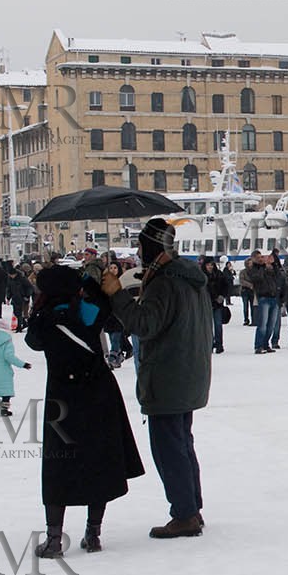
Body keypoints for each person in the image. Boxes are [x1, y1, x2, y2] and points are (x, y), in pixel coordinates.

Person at [100, 218, 212, 540]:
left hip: (167, 376)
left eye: (140, 246)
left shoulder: (165, 282)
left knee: (169, 448)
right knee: (182, 444)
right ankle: (191, 507)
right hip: (187, 374)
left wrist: (117, 295)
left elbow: (145, 324)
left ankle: (185, 514)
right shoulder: (187, 278)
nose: (138, 251)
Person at [27, 266, 145, 557]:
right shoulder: (90, 311)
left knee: (58, 466)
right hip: (99, 394)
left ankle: (54, 539)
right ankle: (93, 533)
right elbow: (105, 303)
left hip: (62, 400)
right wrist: (86, 279)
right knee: (98, 460)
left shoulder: (43, 319)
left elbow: (33, 342)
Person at [0, 317, 30, 417]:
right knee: (6, 392)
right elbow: (9, 356)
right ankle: (4, 410)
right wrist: (23, 364)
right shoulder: (7, 342)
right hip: (4, 372)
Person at [243, 251, 286, 355]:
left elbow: (279, 277)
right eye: (258, 257)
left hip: (274, 297)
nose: (261, 259)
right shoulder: (254, 269)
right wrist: (263, 266)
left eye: (262, 257)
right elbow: (257, 278)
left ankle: (266, 343)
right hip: (263, 298)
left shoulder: (270, 268)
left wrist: (274, 264)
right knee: (262, 324)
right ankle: (258, 345)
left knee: (271, 324)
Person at [201, 255, 231, 354]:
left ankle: (219, 344)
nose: (210, 267)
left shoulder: (219, 274)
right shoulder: (201, 275)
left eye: (212, 265)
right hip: (206, 304)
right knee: (207, 326)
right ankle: (209, 344)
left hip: (217, 304)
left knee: (218, 325)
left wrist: (222, 296)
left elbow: (226, 286)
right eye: (208, 265)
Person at [239, 251, 258, 327]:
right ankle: (246, 319)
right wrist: (250, 285)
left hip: (252, 291)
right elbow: (241, 280)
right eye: (249, 263)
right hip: (245, 291)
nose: (250, 264)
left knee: (253, 306)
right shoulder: (243, 272)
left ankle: (254, 319)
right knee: (245, 306)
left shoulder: (255, 271)